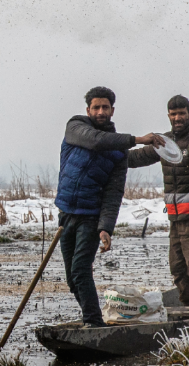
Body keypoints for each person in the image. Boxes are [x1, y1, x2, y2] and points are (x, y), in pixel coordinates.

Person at [55, 86, 166, 327]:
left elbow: (113, 193)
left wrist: (106, 227)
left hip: (90, 218)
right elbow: (96, 141)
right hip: (66, 215)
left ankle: (93, 324)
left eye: (105, 107)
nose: (101, 111)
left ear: (112, 110)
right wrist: (137, 139)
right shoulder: (75, 127)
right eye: (96, 107)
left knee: (80, 270)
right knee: (72, 279)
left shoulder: (118, 152)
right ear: (88, 110)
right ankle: (92, 319)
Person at [128, 94, 189, 307]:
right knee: (178, 269)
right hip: (175, 219)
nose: (177, 117)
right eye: (173, 114)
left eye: (181, 113)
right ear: (168, 116)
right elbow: (135, 158)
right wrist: (107, 154)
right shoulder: (164, 142)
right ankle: (187, 314)